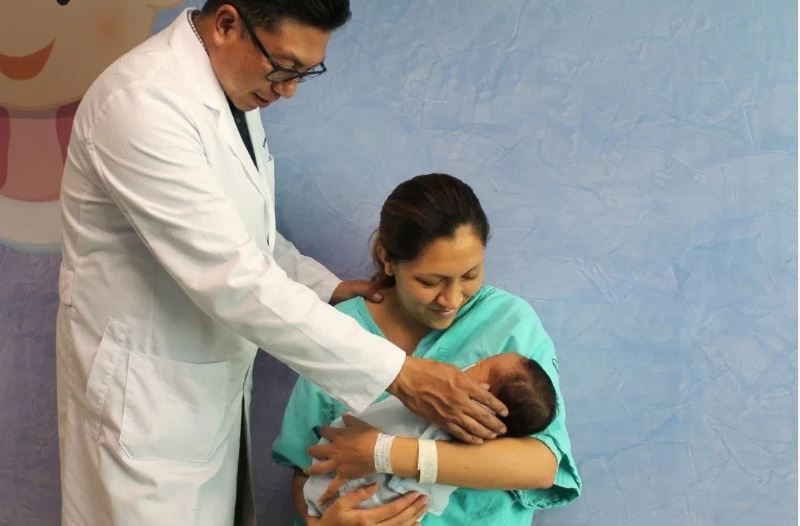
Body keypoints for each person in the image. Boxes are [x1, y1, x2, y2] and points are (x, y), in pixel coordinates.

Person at [55, 2, 507, 525]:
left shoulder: (234, 90)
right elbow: (233, 278)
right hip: (142, 405)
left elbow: (246, 236)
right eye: (284, 68)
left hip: (201, 394)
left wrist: (326, 288)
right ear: (227, 25)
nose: (289, 90)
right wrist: (400, 374)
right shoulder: (141, 105)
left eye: (305, 72)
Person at [272, 174, 582, 525]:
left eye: (470, 275)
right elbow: (305, 468)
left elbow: (541, 465)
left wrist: (384, 453)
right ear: (387, 259)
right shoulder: (340, 330)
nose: (451, 299)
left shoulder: (509, 323)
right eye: (430, 281)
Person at [298, 352, 558, 519]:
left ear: (485, 401)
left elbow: (542, 469)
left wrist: (380, 452)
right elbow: (298, 471)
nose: (472, 364)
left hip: (369, 497)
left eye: (481, 366)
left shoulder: (459, 431)